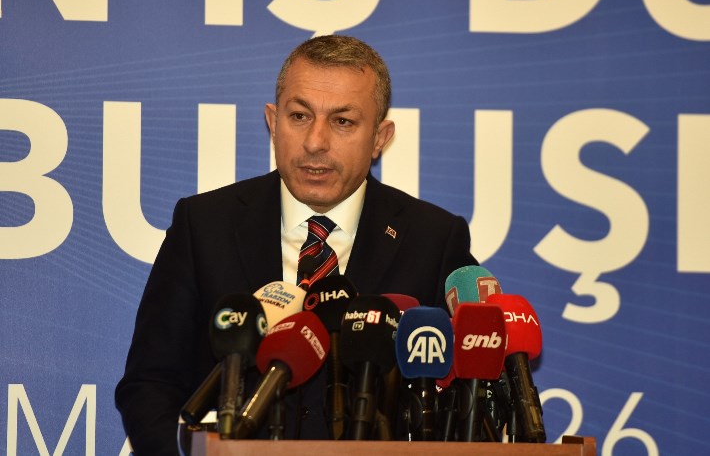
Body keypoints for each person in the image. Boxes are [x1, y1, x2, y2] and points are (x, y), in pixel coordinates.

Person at [115, 35, 477, 454]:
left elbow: (468, 398)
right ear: (273, 122)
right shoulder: (204, 226)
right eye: (300, 116)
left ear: (380, 137)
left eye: (343, 122)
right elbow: (150, 384)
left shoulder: (433, 239)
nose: (315, 142)